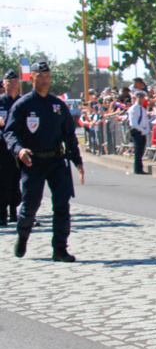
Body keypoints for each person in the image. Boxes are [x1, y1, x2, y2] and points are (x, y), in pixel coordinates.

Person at [4, 59, 84, 262]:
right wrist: (19, 150)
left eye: (47, 77)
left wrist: (77, 160)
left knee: (62, 205)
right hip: (33, 162)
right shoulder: (23, 105)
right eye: (40, 77)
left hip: (56, 161)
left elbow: (69, 135)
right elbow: (10, 133)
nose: (44, 81)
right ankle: (22, 235)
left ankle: (60, 249)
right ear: (32, 78)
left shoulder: (57, 105)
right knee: (30, 205)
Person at [0, 70, 23, 226]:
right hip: (3, 148)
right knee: (4, 181)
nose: (12, 83)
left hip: (20, 146)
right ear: (4, 84)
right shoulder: (1, 101)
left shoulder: (23, 102)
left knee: (18, 180)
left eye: (15, 81)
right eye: (9, 81)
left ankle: (15, 212)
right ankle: (2, 214)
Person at [127, 91, 151, 175]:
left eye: (142, 97)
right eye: (139, 97)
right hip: (136, 131)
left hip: (143, 131)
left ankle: (140, 167)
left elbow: (145, 121)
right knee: (138, 150)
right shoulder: (133, 109)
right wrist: (142, 130)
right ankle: (137, 169)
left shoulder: (143, 109)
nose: (141, 99)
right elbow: (133, 123)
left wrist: (146, 129)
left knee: (141, 150)